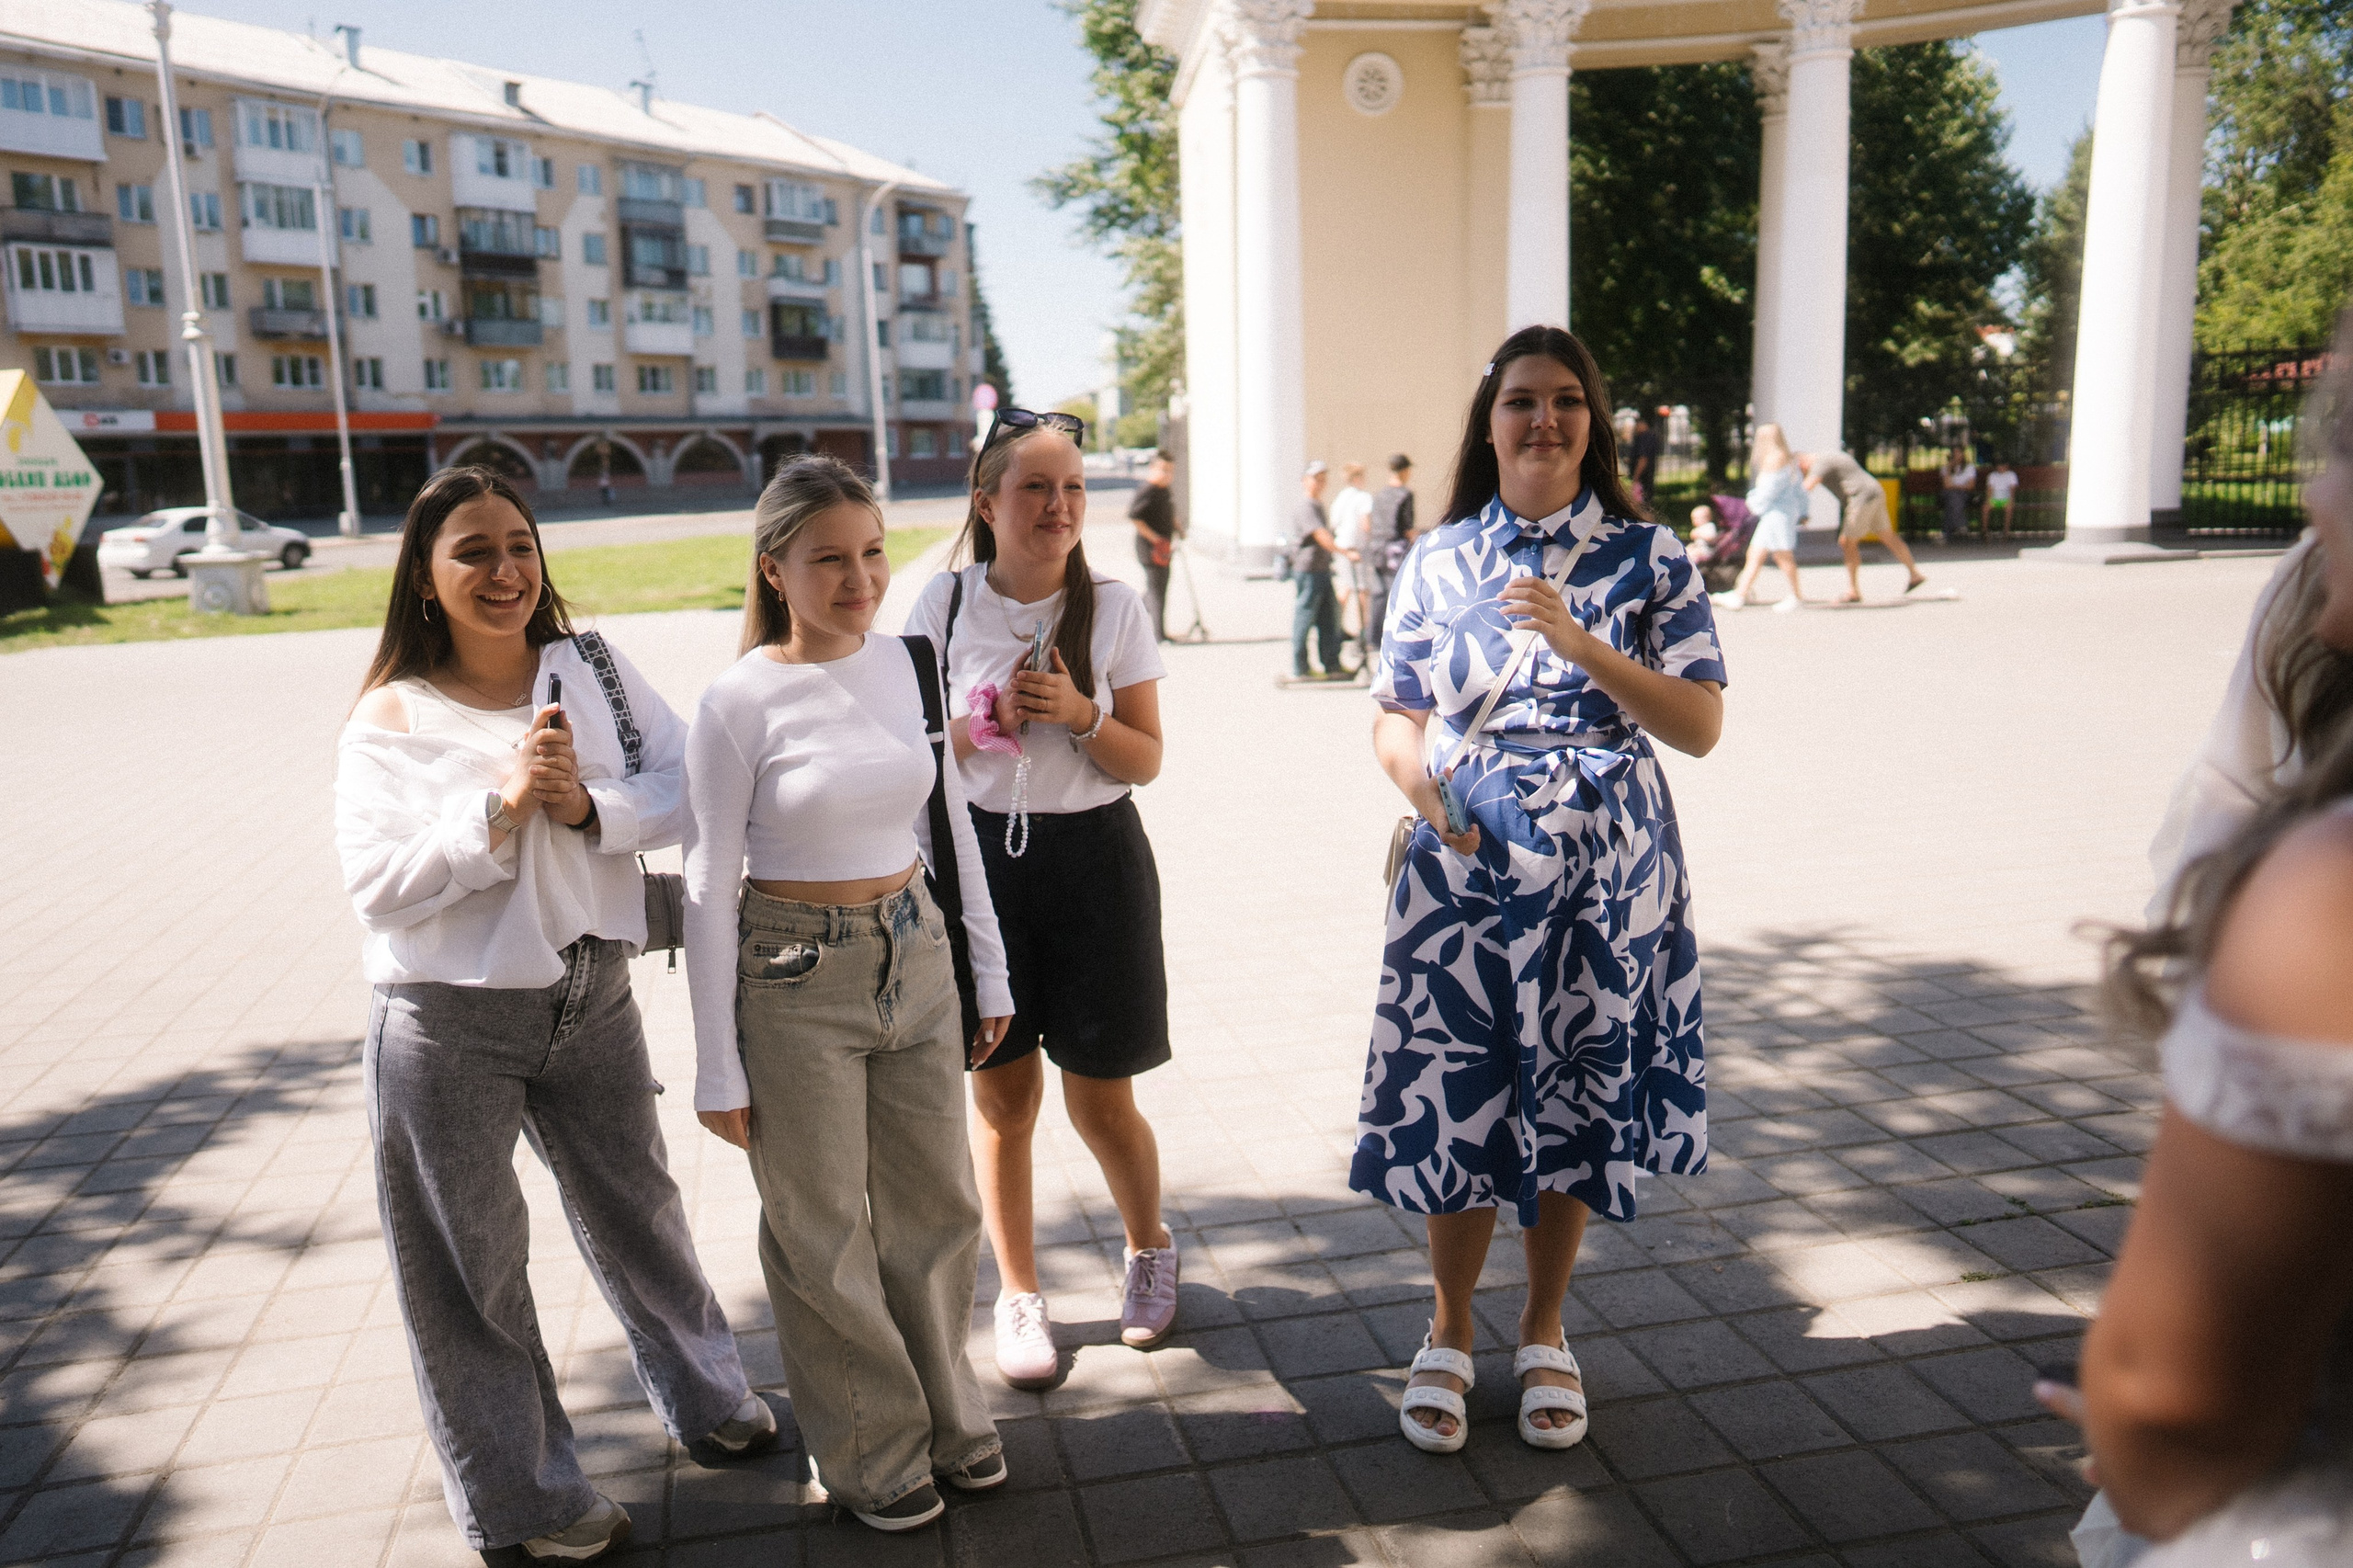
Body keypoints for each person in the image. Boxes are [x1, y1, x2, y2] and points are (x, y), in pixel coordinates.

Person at [335, 466, 769, 1562]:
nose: (504, 570)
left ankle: (708, 1396)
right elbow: (379, 885)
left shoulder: (597, 671)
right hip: (447, 1019)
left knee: (643, 1211)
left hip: (593, 992)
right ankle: (525, 1501)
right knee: (470, 1269)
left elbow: (693, 785)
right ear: (425, 578)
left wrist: (588, 806)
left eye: (519, 544)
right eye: (472, 551)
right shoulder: (390, 715)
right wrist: (505, 807)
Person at [1357, 326, 1725, 1458]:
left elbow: (1700, 724)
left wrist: (1579, 642)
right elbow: (1393, 709)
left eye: (1567, 400)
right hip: (1465, 855)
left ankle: (1546, 1326)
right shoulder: (1436, 555)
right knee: (1460, 1088)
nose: (1543, 420)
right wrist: (1423, 790)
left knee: (1571, 1083)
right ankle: (1447, 1327)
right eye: (1521, 400)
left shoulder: (1650, 556)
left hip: (1603, 859)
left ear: (1593, 422)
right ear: (1488, 421)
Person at [2055, 316, 2353, 1568]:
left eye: (2337, 438)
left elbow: (2174, 1401)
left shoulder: (2326, 900)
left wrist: (2135, 1442)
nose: (2313, 483)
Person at [683, 455, 1014, 1534]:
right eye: (829, 558)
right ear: (775, 568)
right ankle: (873, 1449)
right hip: (792, 975)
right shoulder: (737, 700)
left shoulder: (910, 664)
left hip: (914, 949)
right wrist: (715, 1063)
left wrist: (984, 969)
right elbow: (705, 884)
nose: (860, 577)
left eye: (871, 552)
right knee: (819, 1229)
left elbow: (949, 825)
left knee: (938, 1207)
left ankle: (952, 1421)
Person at [904, 408, 1177, 1393]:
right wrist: (985, 723)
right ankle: (1018, 1290)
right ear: (987, 504)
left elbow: (1144, 758)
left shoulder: (1112, 604)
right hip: (978, 867)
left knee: (1102, 1098)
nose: (1057, 505)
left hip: (1097, 862)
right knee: (1002, 1095)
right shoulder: (936, 606)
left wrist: (1079, 714)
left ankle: (1148, 1246)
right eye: (1033, 488)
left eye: (1071, 488)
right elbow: (912, 752)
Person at [1800, 447, 1927, 603]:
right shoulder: (1830, 456)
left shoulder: (1819, 462)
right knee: (1888, 537)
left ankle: (1853, 591)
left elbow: (1806, 487)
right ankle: (1915, 574)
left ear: (1803, 464)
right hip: (1874, 492)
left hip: (1860, 498)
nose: (1803, 474)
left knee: (1847, 542)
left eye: (1801, 471)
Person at [1714, 422, 1808, 613]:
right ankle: (1739, 594)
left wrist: (1751, 504)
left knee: (1783, 556)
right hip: (1781, 514)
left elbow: (1767, 492)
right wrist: (1804, 512)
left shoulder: (1774, 460)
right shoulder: (1789, 459)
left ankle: (1796, 596)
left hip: (1775, 515)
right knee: (1755, 555)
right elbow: (1800, 491)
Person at [1290, 460, 1354, 680]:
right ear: (1305, 481)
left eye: (1323, 479)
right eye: (1316, 479)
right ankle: (1300, 668)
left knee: (1329, 618)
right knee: (1305, 617)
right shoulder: (1306, 506)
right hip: (1308, 570)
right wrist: (1344, 552)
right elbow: (1320, 535)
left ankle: (1332, 664)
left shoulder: (1317, 505)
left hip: (1322, 569)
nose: (1320, 483)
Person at [1363, 453, 1417, 656]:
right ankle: (1391, 637)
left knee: (1378, 595)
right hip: (1394, 550)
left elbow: (1370, 523)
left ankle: (1372, 638)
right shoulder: (1405, 494)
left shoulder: (1379, 494)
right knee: (1396, 594)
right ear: (1404, 471)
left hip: (1376, 549)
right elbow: (1406, 527)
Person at [1129, 449, 1180, 642]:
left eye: (1170, 471)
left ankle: (1133, 617)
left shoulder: (1163, 491)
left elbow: (1170, 513)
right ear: (1153, 469)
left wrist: (1178, 528)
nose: (1167, 475)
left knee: (1158, 588)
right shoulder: (1148, 490)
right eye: (1163, 470)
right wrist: (1155, 539)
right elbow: (1135, 517)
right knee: (1157, 590)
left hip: (1164, 548)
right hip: (1150, 549)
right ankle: (1158, 634)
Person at [1329, 460, 1375, 642]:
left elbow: (1334, 523)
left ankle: (1336, 626)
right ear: (1357, 477)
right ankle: (1363, 632)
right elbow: (1365, 525)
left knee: (1345, 588)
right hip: (1357, 548)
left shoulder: (1340, 498)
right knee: (1362, 589)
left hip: (1341, 547)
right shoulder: (1363, 497)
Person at [1939, 447, 1978, 543]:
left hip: (1964, 495)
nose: (1957, 456)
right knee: (1953, 496)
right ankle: (1962, 525)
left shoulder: (1969, 468)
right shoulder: (1946, 468)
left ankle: (1946, 535)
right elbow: (1946, 485)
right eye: (1955, 454)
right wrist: (1949, 468)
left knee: (1952, 502)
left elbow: (1971, 486)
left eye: (1959, 453)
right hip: (1948, 494)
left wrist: (1955, 486)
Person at [1626, 411, 1661, 505]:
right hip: (1648, 477)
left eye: (1637, 424)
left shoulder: (1645, 438)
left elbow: (1643, 459)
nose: (1636, 427)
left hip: (1643, 478)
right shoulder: (1651, 437)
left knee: (1642, 505)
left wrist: (1636, 477)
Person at [1983, 459, 2018, 538]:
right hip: (1994, 499)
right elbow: (1989, 489)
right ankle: (1985, 532)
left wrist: (2011, 500)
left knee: (2009, 508)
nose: (2000, 467)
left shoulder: (2011, 475)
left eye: (2002, 465)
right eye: (1999, 466)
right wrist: (1988, 500)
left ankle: (2006, 531)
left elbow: (2012, 489)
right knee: (1985, 508)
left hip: (2006, 499)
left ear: (2007, 466)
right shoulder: (1992, 475)